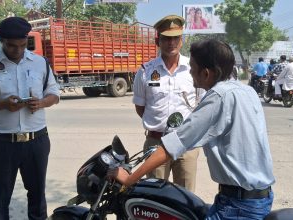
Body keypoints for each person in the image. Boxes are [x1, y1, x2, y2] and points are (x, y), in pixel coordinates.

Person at [110, 39, 275, 220]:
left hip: (238, 206)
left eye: (192, 67)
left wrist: (129, 179)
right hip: (252, 197)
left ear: (205, 73)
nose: (189, 72)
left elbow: (173, 145)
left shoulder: (218, 97)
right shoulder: (246, 91)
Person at [0, 17, 60, 220]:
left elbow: (54, 93)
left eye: (22, 45)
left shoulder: (40, 63)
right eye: (11, 46)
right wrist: (2, 104)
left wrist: (42, 103)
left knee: (38, 198)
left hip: (37, 141)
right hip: (1, 144)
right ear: (2, 41)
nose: (17, 50)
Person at [132, 15, 202, 192]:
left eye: (175, 38)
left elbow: (200, 104)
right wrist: (159, 124)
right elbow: (141, 107)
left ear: (181, 40)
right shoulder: (145, 71)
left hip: (186, 143)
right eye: (166, 39)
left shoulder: (193, 69)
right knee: (155, 197)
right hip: (156, 142)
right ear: (158, 41)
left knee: (186, 197)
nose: (171, 43)